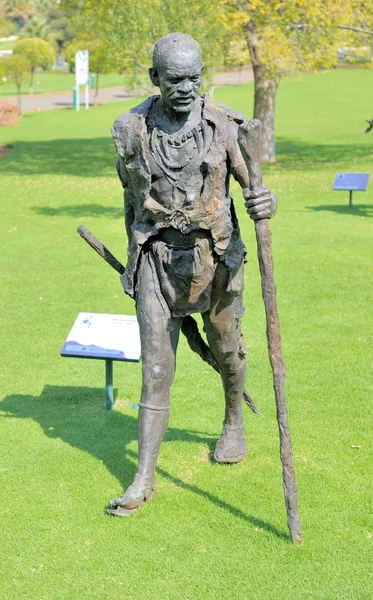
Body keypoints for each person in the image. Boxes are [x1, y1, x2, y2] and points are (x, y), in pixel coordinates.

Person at [107, 33, 276, 515]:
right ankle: (143, 478)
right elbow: (131, 198)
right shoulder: (130, 129)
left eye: (194, 78)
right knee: (156, 370)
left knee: (226, 349)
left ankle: (232, 420)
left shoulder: (225, 127)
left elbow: (256, 185)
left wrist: (266, 200)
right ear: (154, 78)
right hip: (157, 262)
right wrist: (132, 254)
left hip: (217, 259)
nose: (186, 88)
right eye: (175, 79)